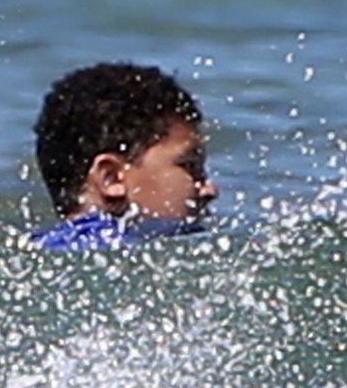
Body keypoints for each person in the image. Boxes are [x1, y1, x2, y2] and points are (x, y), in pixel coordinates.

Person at [30, 62, 219, 252]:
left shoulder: (42, 247)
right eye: (189, 166)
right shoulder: (118, 248)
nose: (210, 190)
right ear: (111, 177)